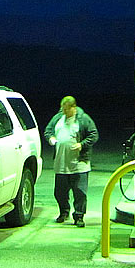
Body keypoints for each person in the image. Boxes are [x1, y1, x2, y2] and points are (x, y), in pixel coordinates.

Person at [44, 96, 98, 227]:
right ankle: (64, 212)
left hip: (78, 163)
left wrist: (82, 144)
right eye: (63, 109)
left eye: (67, 109)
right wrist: (51, 138)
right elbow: (48, 131)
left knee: (80, 192)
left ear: (73, 108)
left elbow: (93, 134)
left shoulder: (83, 119)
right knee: (60, 192)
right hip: (61, 162)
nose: (64, 112)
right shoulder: (58, 118)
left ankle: (79, 216)